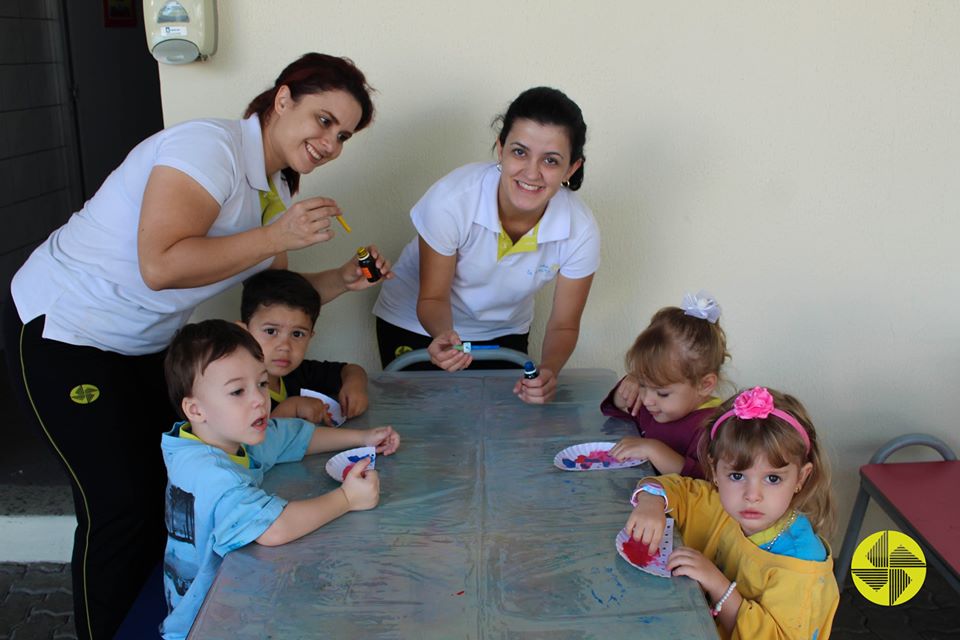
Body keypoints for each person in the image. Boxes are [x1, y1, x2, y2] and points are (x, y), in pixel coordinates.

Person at [2, 52, 389, 639]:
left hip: (141, 346)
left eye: (344, 134)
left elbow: (269, 293)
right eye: (324, 119)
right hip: (66, 330)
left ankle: (165, 616)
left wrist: (343, 279)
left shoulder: (275, 185)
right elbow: (160, 264)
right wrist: (275, 234)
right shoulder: (209, 149)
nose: (331, 142)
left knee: (163, 490)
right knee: (118, 506)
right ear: (282, 98)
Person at [160, 320, 399, 639]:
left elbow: (291, 437)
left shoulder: (225, 435)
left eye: (261, 384)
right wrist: (347, 499)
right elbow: (274, 528)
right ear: (196, 409)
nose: (259, 399)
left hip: (236, 593)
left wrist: (363, 438)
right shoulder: (209, 472)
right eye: (237, 391)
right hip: (206, 621)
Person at [373, 86, 600, 403]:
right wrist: (443, 336)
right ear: (500, 149)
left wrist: (549, 370)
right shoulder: (452, 200)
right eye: (519, 152)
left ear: (571, 168)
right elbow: (433, 296)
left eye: (550, 160)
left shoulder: (581, 229)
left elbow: (563, 325)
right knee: (429, 432)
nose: (531, 173)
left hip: (503, 332)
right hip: (418, 324)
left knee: (504, 430)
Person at [625, 386, 839, 639]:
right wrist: (651, 501)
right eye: (737, 476)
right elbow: (680, 489)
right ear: (715, 472)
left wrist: (717, 585)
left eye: (772, 478)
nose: (752, 495)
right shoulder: (721, 505)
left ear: (800, 478)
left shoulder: (802, 566)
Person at [603, 292, 729, 478]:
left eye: (662, 393)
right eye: (643, 384)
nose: (646, 400)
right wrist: (629, 386)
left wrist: (653, 450)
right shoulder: (656, 404)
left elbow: (705, 481)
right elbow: (621, 407)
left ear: (705, 385)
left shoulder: (715, 429)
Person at [240, 268, 369, 424]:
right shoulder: (235, 387)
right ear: (243, 332)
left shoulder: (297, 373)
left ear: (310, 336)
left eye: (297, 334)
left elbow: (351, 370)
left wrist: (355, 386)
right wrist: (291, 408)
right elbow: (252, 445)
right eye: (271, 331)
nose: (285, 346)